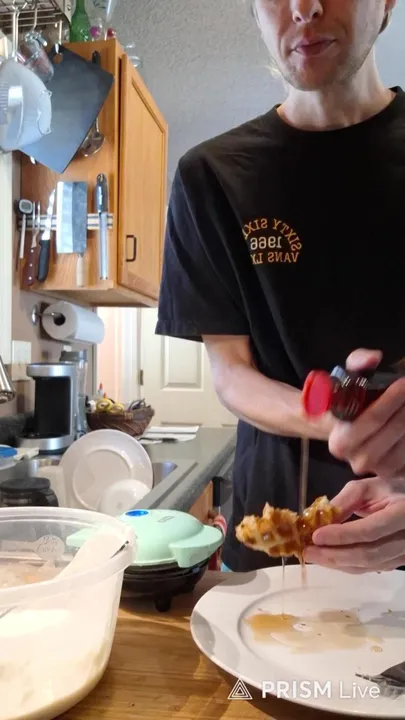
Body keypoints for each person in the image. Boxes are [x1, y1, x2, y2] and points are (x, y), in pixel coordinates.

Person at [155, 0, 405, 574]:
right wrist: (341, 422)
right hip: (272, 542)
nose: (303, 7)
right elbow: (231, 373)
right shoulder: (210, 177)